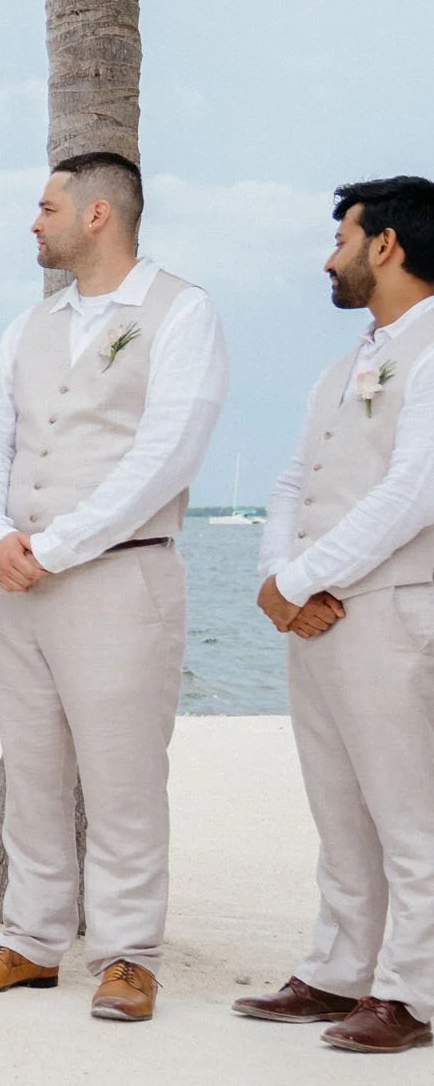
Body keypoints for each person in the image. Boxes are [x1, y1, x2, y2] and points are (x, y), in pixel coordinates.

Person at [0, 153, 227, 1021]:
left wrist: (57, 544)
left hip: (119, 574)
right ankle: (32, 940)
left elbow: (167, 453)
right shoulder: (30, 325)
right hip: (17, 583)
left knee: (124, 775)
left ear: (98, 213)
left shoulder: (181, 312)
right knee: (32, 769)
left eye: (46, 205)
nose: (34, 221)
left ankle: (130, 954)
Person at [235, 176, 434, 1054]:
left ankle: (414, 991)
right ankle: (340, 968)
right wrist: (280, 575)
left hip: (393, 608)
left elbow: (413, 492)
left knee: (409, 809)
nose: (330, 257)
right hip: (319, 612)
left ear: (385, 244)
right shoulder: (348, 357)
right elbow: (293, 476)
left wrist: (313, 575)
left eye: (342, 237)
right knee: (340, 804)